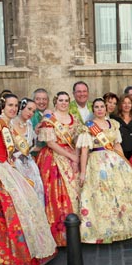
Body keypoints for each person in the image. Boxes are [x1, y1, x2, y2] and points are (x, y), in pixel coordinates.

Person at [0, 93, 56, 265]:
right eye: (10, 105)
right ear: (2, 106)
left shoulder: (8, 125)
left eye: (15, 105)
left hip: (6, 168)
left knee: (21, 209)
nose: (13, 108)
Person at [76, 98, 132, 243]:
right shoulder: (87, 127)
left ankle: (125, 226)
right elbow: (84, 152)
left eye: (102, 106)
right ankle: (106, 230)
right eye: (97, 107)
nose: (100, 109)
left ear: (106, 109)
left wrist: (125, 163)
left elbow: (117, 145)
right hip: (97, 163)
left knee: (122, 192)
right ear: (93, 110)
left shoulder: (113, 124)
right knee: (102, 194)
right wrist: (82, 172)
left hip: (115, 161)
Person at [37, 91, 81, 246]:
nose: (63, 103)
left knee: (75, 191)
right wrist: (71, 157)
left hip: (71, 157)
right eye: (61, 100)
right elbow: (50, 143)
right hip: (53, 159)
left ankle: (76, 232)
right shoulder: (49, 118)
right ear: (55, 102)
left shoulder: (74, 118)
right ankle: (59, 235)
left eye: (66, 100)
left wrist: (76, 158)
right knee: (56, 194)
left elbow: (77, 140)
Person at [10, 98, 45, 205]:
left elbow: (31, 147)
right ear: (21, 107)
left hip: (29, 163)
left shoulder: (29, 125)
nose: (31, 113)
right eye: (29, 109)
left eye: (33, 111)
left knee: (37, 189)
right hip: (14, 164)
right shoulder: (9, 123)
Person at [111, 94, 132, 159]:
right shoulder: (113, 118)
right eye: (124, 103)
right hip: (119, 152)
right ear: (120, 104)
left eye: (129, 103)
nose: (127, 105)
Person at [30, 88, 50, 157]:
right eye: (38, 99)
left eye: (44, 99)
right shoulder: (29, 116)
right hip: (34, 156)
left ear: (48, 101)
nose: (41, 102)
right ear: (33, 101)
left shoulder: (51, 115)